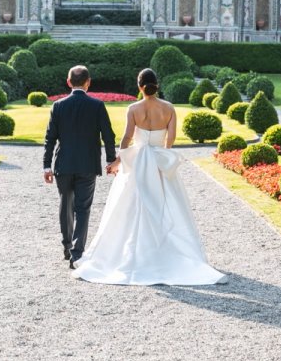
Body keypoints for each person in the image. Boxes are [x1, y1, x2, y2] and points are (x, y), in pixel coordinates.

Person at [72, 69, 227, 285]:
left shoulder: (134, 108)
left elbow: (127, 138)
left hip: (137, 163)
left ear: (139, 85)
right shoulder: (169, 108)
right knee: (167, 207)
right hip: (158, 162)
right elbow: (170, 139)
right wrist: (161, 157)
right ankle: (167, 253)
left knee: (129, 209)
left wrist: (118, 160)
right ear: (157, 85)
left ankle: (131, 255)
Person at [43, 65, 117, 268]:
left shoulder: (58, 106)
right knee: (82, 208)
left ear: (68, 82)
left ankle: (67, 247)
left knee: (65, 204)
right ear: (88, 82)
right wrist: (111, 160)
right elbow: (108, 136)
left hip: (63, 164)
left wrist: (46, 166)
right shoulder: (97, 105)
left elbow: (50, 138)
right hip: (87, 164)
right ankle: (77, 253)